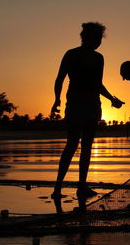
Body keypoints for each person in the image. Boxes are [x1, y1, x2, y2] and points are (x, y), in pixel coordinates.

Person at [50, 22, 124, 199]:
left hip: (93, 105)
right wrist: (56, 100)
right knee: (72, 144)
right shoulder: (71, 54)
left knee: (87, 147)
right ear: (86, 37)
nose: (98, 42)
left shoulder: (99, 58)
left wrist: (112, 99)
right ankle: (57, 188)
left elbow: (98, 84)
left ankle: (81, 186)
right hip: (75, 103)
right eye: (96, 38)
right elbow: (59, 79)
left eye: (100, 39)